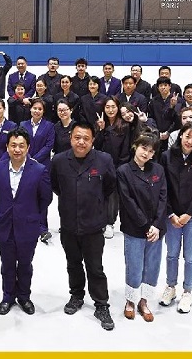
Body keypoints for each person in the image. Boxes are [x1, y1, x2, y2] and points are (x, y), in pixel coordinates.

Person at [50, 121, 116, 331]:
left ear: (93, 140)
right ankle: (76, 295)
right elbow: (56, 187)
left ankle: (101, 304)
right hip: (69, 223)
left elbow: (109, 187)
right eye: (77, 137)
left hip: (93, 225)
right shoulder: (59, 161)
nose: (81, 142)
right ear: (70, 138)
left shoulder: (104, 160)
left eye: (86, 138)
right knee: (73, 264)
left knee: (95, 267)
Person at [0, 127, 52, 315]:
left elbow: (45, 198)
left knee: (25, 264)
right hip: (5, 225)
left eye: (21, 146)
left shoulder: (39, 170)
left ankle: (24, 296)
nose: (17, 149)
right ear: (7, 147)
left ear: (28, 147)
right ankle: (8, 296)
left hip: (28, 225)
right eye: (13, 145)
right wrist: (2, 213)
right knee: (7, 264)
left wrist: (31, 213)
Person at [159, 122, 192, 314]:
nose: (190, 141)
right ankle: (170, 286)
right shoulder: (167, 156)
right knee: (172, 254)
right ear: (180, 135)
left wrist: (189, 214)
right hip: (172, 216)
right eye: (187, 136)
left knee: (190, 257)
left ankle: (187, 291)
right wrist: (171, 213)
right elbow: (163, 187)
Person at [116, 131, 167, 322]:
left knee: (152, 267)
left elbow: (163, 198)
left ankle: (144, 302)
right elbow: (128, 201)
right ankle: (130, 301)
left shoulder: (158, 170)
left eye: (151, 151)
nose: (146, 153)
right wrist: (146, 225)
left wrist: (157, 225)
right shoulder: (123, 171)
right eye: (143, 148)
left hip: (156, 229)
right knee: (134, 265)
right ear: (135, 147)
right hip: (135, 227)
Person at [94, 96, 131, 239]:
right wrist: (101, 130)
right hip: (100, 165)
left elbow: (126, 149)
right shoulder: (100, 123)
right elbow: (96, 146)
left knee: (113, 196)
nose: (110, 110)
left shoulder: (124, 126)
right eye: (107, 107)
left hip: (117, 165)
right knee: (100, 194)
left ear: (118, 108)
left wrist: (119, 167)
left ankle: (110, 223)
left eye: (113, 107)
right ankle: (100, 221)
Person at [19, 98, 55, 243]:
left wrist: (35, 159)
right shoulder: (23, 125)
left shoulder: (49, 126)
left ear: (43, 111)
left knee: (42, 195)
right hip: (25, 164)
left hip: (42, 166)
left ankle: (43, 228)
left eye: (40, 109)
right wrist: (28, 158)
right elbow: (21, 143)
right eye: (35, 108)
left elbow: (49, 145)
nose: (37, 111)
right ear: (30, 109)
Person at [148, 76, 179, 155]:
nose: (163, 87)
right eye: (161, 85)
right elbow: (151, 118)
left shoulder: (177, 100)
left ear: (170, 86)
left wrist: (168, 132)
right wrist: (157, 132)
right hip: (157, 135)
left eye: (165, 85)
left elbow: (177, 119)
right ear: (157, 88)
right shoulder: (153, 101)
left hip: (172, 134)